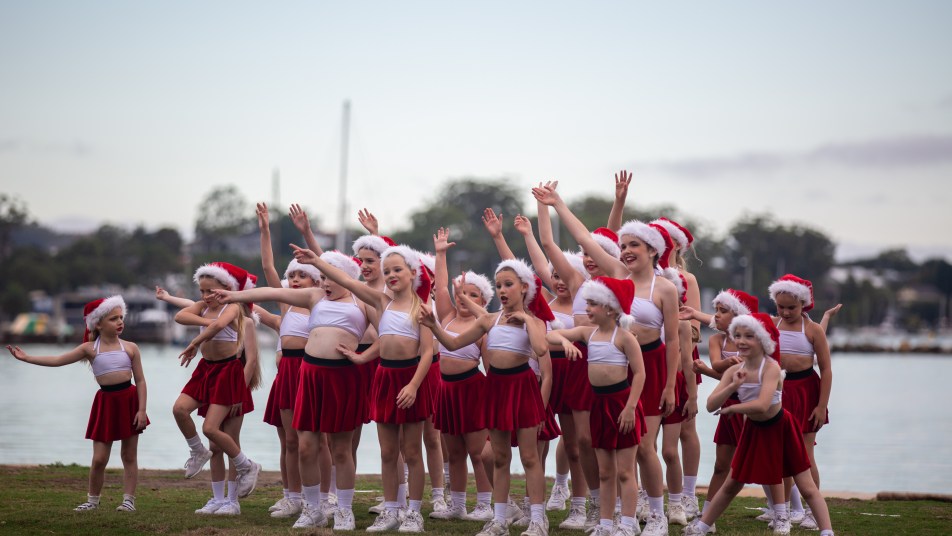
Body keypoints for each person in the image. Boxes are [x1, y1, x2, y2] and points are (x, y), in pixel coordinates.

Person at [533, 182, 680, 536]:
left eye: (634, 246)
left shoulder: (666, 288)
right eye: (624, 245)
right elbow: (584, 238)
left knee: (645, 447)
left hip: (650, 365)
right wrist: (557, 204)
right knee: (606, 444)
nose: (626, 251)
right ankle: (610, 515)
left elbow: (673, 339)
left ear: (652, 251)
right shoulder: (617, 273)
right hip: (613, 363)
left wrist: (672, 384)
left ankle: (657, 515)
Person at [215, 249, 371, 530]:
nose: (324, 282)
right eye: (321, 277)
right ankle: (312, 509)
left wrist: (363, 357)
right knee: (306, 446)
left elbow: (390, 334)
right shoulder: (314, 298)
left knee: (341, 449)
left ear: (345, 277)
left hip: (343, 378)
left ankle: (344, 510)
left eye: (329, 277)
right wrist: (234, 296)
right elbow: (270, 293)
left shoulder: (362, 302)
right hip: (310, 375)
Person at [291, 242, 434, 533]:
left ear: (413, 272)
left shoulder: (423, 308)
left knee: (412, 452)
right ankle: (391, 511)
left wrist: (414, 385)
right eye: (387, 270)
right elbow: (345, 279)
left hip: (409, 381)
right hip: (385, 377)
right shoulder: (382, 302)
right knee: (387, 452)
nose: (391, 274)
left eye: (397, 269)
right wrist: (316, 262)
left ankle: (414, 514)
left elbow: (428, 352)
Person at [422, 258, 552, 536]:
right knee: (500, 457)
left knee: (530, 457)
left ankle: (539, 520)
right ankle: (500, 519)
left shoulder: (535, 321)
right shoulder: (489, 320)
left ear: (524, 288)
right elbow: (454, 343)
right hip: (495, 388)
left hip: (523, 387)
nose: (503, 291)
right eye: (499, 286)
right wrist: (434, 326)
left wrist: (527, 319)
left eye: (509, 285)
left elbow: (541, 349)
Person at [683, 313, 835, 536]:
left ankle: (826, 531)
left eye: (748, 336)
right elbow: (709, 404)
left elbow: (763, 404)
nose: (741, 341)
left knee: (806, 485)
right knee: (732, 483)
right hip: (754, 429)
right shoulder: (734, 370)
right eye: (737, 336)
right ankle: (702, 527)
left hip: (781, 427)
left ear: (763, 340)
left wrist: (734, 408)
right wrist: (730, 386)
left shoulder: (771, 368)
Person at [6, 296, 148, 512]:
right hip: (105, 403)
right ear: (98, 324)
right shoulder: (89, 349)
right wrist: (27, 358)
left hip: (129, 401)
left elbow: (140, 380)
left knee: (129, 455)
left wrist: (142, 409)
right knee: (99, 458)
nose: (120, 322)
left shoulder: (130, 348)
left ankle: (129, 500)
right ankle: (92, 501)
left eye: (121, 317)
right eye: (113, 319)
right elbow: (57, 360)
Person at [546, 277, 646, 536]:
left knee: (625, 471)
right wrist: (565, 342)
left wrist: (631, 407)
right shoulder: (586, 333)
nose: (587, 308)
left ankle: (627, 523)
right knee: (605, 471)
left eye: (593, 304)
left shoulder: (625, 338)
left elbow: (640, 374)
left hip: (622, 404)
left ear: (611, 309)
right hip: (598, 405)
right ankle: (604, 524)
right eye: (587, 303)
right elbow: (552, 334)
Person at [157, 284, 262, 516]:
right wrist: (167, 297)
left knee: (227, 439)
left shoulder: (244, 320)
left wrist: (239, 392)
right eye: (202, 291)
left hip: (231, 379)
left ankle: (232, 501)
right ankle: (217, 497)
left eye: (210, 291)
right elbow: (184, 312)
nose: (205, 296)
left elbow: (251, 360)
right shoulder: (205, 309)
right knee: (213, 445)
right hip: (208, 373)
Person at [425, 227, 495, 522]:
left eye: (473, 295)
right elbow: (441, 288)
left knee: (478, 453)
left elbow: (491, 370)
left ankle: (484, 504)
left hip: (472, 389)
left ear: (484, 301)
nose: (465, 298)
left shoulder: (485, 326)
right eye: (462, 293)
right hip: (446, 389)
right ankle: (457, 504)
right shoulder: (449, 316)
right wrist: (441, 254)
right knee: (453, 453)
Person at [680, 288, 759, 530]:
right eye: (716, 311)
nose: (717, 315)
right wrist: (715, 368)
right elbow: (722, 371)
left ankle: (785, 513)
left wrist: (711, 369)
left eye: (722, 311)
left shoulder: (754, 343)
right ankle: (707, 518)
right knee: (721, 465)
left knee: (770, 463)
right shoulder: (717, 340)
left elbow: (753, 378)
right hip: (729, 405)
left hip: (754, 408)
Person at [768, 274, 833, 530]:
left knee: (805, 455)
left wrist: (821, 405)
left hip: (806, 391)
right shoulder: (772, 325)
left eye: (791, 308)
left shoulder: (813, 329)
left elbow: (826, 370)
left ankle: (810, 511)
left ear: (804, 305)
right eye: (781, 306)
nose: (785, 312)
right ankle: (781, 512)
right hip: (778, 390)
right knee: (780, 454)